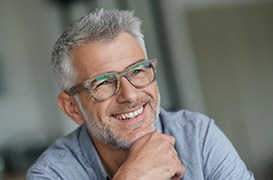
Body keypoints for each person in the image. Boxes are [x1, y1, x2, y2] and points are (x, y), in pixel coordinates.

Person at [27, 9, 254, 179]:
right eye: (103, 82)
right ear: (72, 108)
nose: (130, 95)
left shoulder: (197, 135)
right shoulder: (52, 174)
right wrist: (134, 175)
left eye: (137, 71)